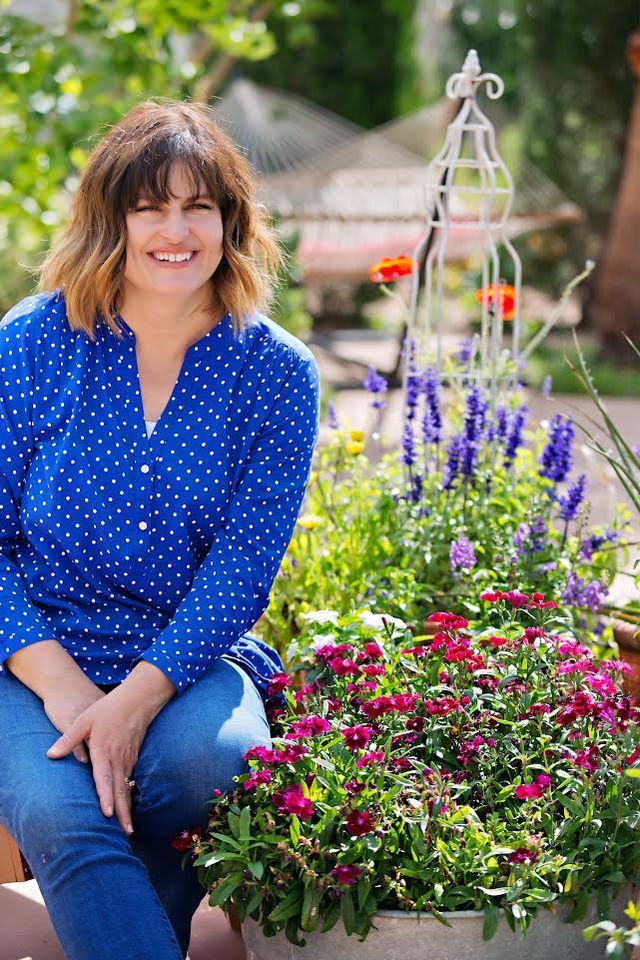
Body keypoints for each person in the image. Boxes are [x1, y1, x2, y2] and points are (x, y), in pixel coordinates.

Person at [0, 99, 320, 959]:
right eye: (148, 206)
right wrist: (69, 692)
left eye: (197, 206)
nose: (174, 229)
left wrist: (134, 705)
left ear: (230, 221)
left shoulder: (277, 373)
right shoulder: (32, 344)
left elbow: (243, 569)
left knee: (211, 767)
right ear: (112, 220)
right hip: (31, 651)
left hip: (185, 654)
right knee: (64, 809)